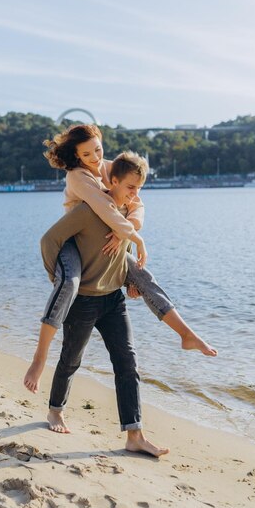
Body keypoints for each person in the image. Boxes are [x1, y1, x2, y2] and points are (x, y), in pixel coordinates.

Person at [24, 126, 217, 394]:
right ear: (77, 155)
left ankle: (186, 334)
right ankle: (39, 358)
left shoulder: (110, 167)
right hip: (75, 241)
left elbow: (136, 201)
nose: (94, 158)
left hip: (105, 242)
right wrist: (135, 238)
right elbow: (104, 208)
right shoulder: (78, 177)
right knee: (69, 284)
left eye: (98, 149)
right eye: (87, 153)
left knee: (144, 278)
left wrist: (125, 230)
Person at [40, 153, 170, 456]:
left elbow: (117, 259)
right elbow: (50, 240)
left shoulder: (127, 213)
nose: (136, 194)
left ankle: (134, 434)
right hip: (83, 300)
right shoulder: (88, 209)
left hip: (114, 300)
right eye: (131, 187)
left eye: (139, 188)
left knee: (128, 362)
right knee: (71, 359)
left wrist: (130, 282)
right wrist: (57, 278)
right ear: (112, 181)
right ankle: (55, 410)